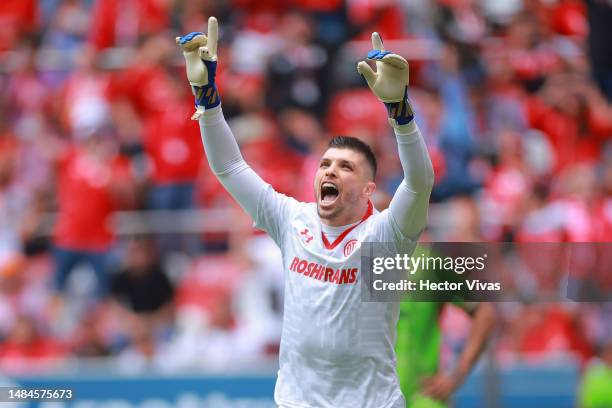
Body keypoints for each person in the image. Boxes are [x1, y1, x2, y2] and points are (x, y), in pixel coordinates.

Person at [176, 17, 434, 408]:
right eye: (325, 164)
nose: (330, 170)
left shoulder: (387, 235)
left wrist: (400, 112)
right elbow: (229, 167)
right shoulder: (291, 220)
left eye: (345, 166)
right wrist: (206, 97)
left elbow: (418, 182)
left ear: (369, 190)